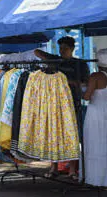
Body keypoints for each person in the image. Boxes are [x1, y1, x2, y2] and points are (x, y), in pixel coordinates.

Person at [35, 36, 89, 180]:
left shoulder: (80, 64)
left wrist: (66, 82)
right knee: (54, 135)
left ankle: (72, 169)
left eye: (65, 48)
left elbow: (85, 83)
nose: (62, 51)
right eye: (60, 48)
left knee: (72, 136)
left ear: (72, 49)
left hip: (73, 103)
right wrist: (51, 57)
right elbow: (37, 52)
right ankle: (54, 166)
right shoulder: (55, 61)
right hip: (55, 104)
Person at [83, 49, 107, 187]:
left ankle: (95, 179)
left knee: (94, 144)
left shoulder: (96, 76)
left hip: (96, 114)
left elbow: (87, 96)